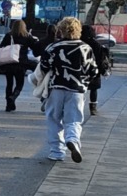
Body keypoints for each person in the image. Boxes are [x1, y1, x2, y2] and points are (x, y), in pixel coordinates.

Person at [39, 17, 99, 163]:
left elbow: (43, 67)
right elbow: (94, 71)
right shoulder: (86, 48)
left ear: (61, 30)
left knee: (54, 119)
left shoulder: (53, 47)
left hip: (56, 88)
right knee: (74, 119)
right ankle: (72, 139)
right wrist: (84, 82)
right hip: (77, 90)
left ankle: (57, 152)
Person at [0, 20, 39, 112]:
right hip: (21, 63)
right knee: (19, 84)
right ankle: (13, 97)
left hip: (9, 63)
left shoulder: (9, 35)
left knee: (9, 84)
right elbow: (34, 47)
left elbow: (0, 47)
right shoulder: (27, 36)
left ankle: (8, 105)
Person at [79, 28, 112, 115]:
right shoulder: (96, 44)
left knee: (80, 89)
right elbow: (100, 59)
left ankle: (78, 106)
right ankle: (93, 108)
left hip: (81, 71)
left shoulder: (80, 43)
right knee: (93, 90)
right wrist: (102, 70)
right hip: (94, 70)